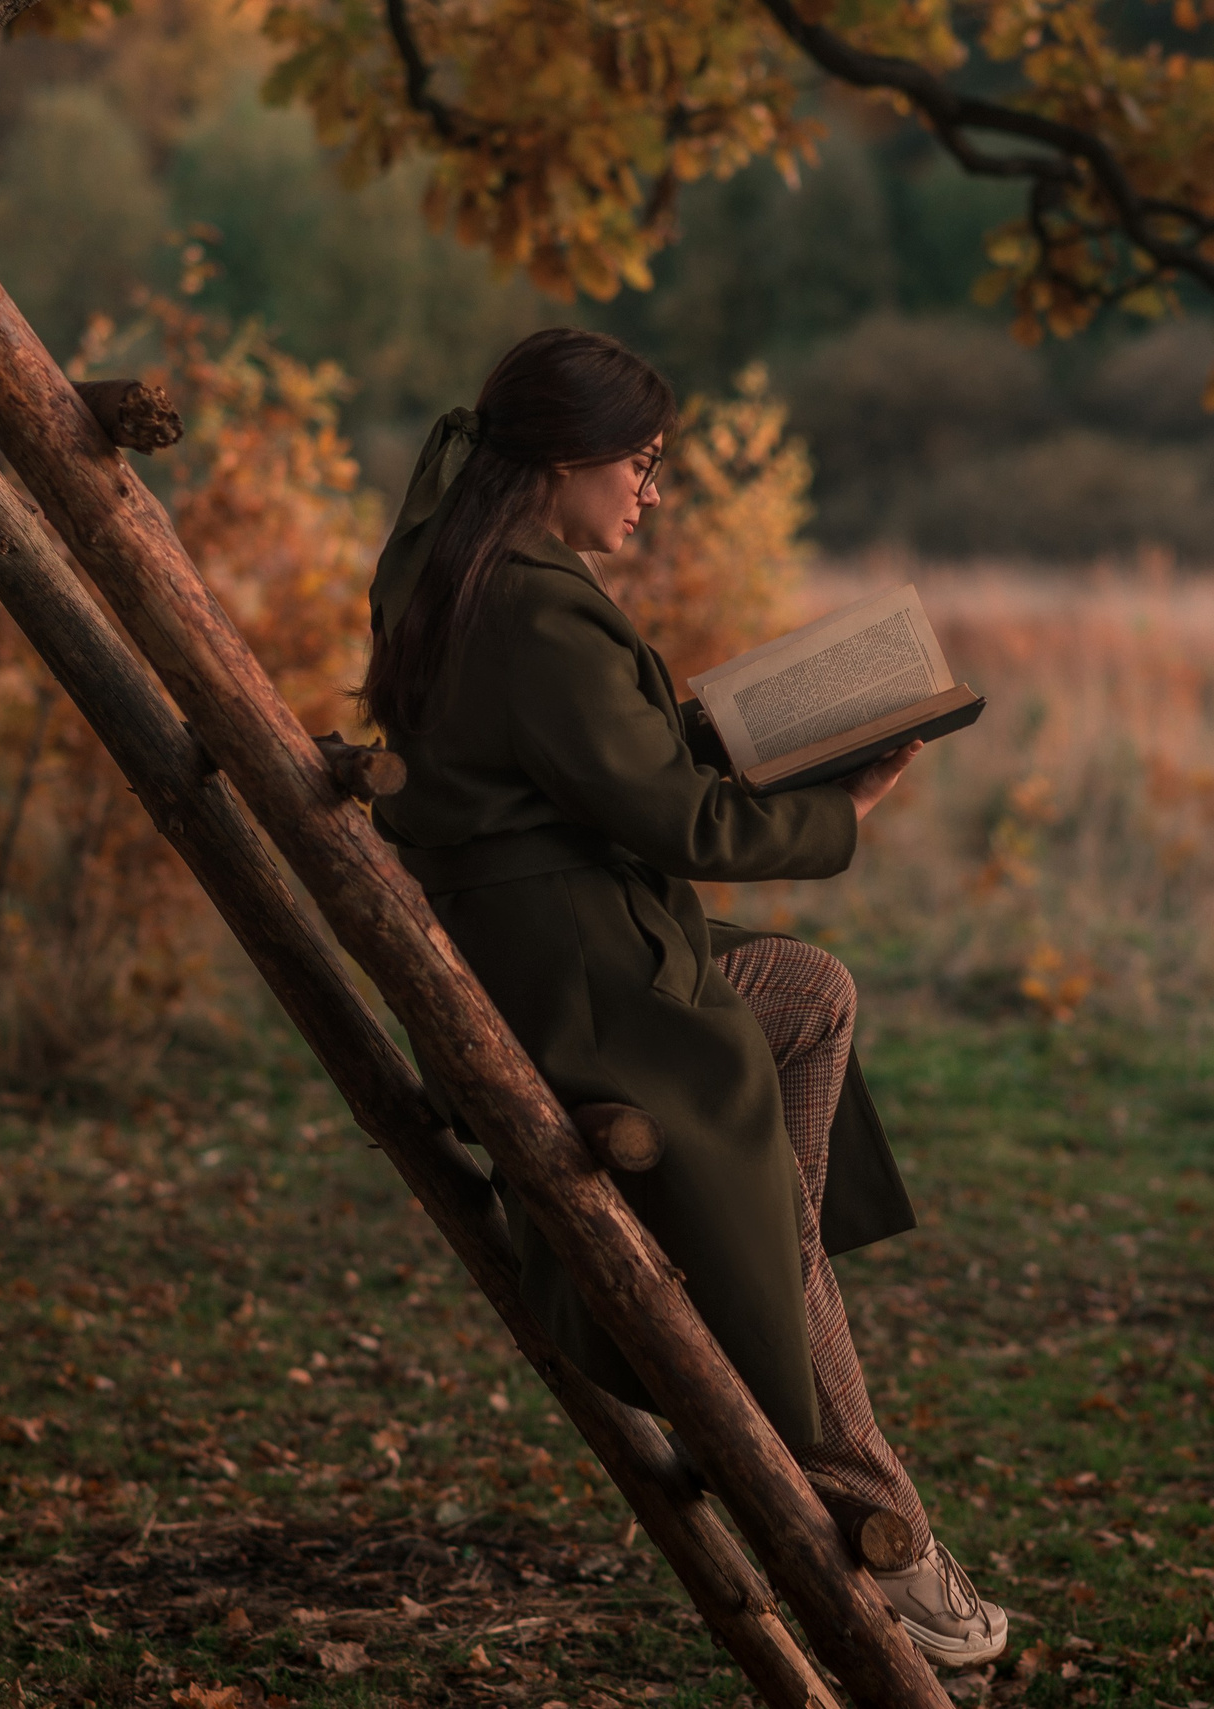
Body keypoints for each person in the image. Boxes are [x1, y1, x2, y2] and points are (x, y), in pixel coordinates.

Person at [363, 327, 1006, 1668]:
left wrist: (733, 731)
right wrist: (841, 809)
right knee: (790, 1055)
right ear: (562, 461)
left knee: (810, 992)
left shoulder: (457, 561)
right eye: (638, 466)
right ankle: (891, 1529)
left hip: (541, 951)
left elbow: (585, 763)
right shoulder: (535, 602)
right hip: (583, 986)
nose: (647, 494)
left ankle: (780, 1253)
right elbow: (671, 820)